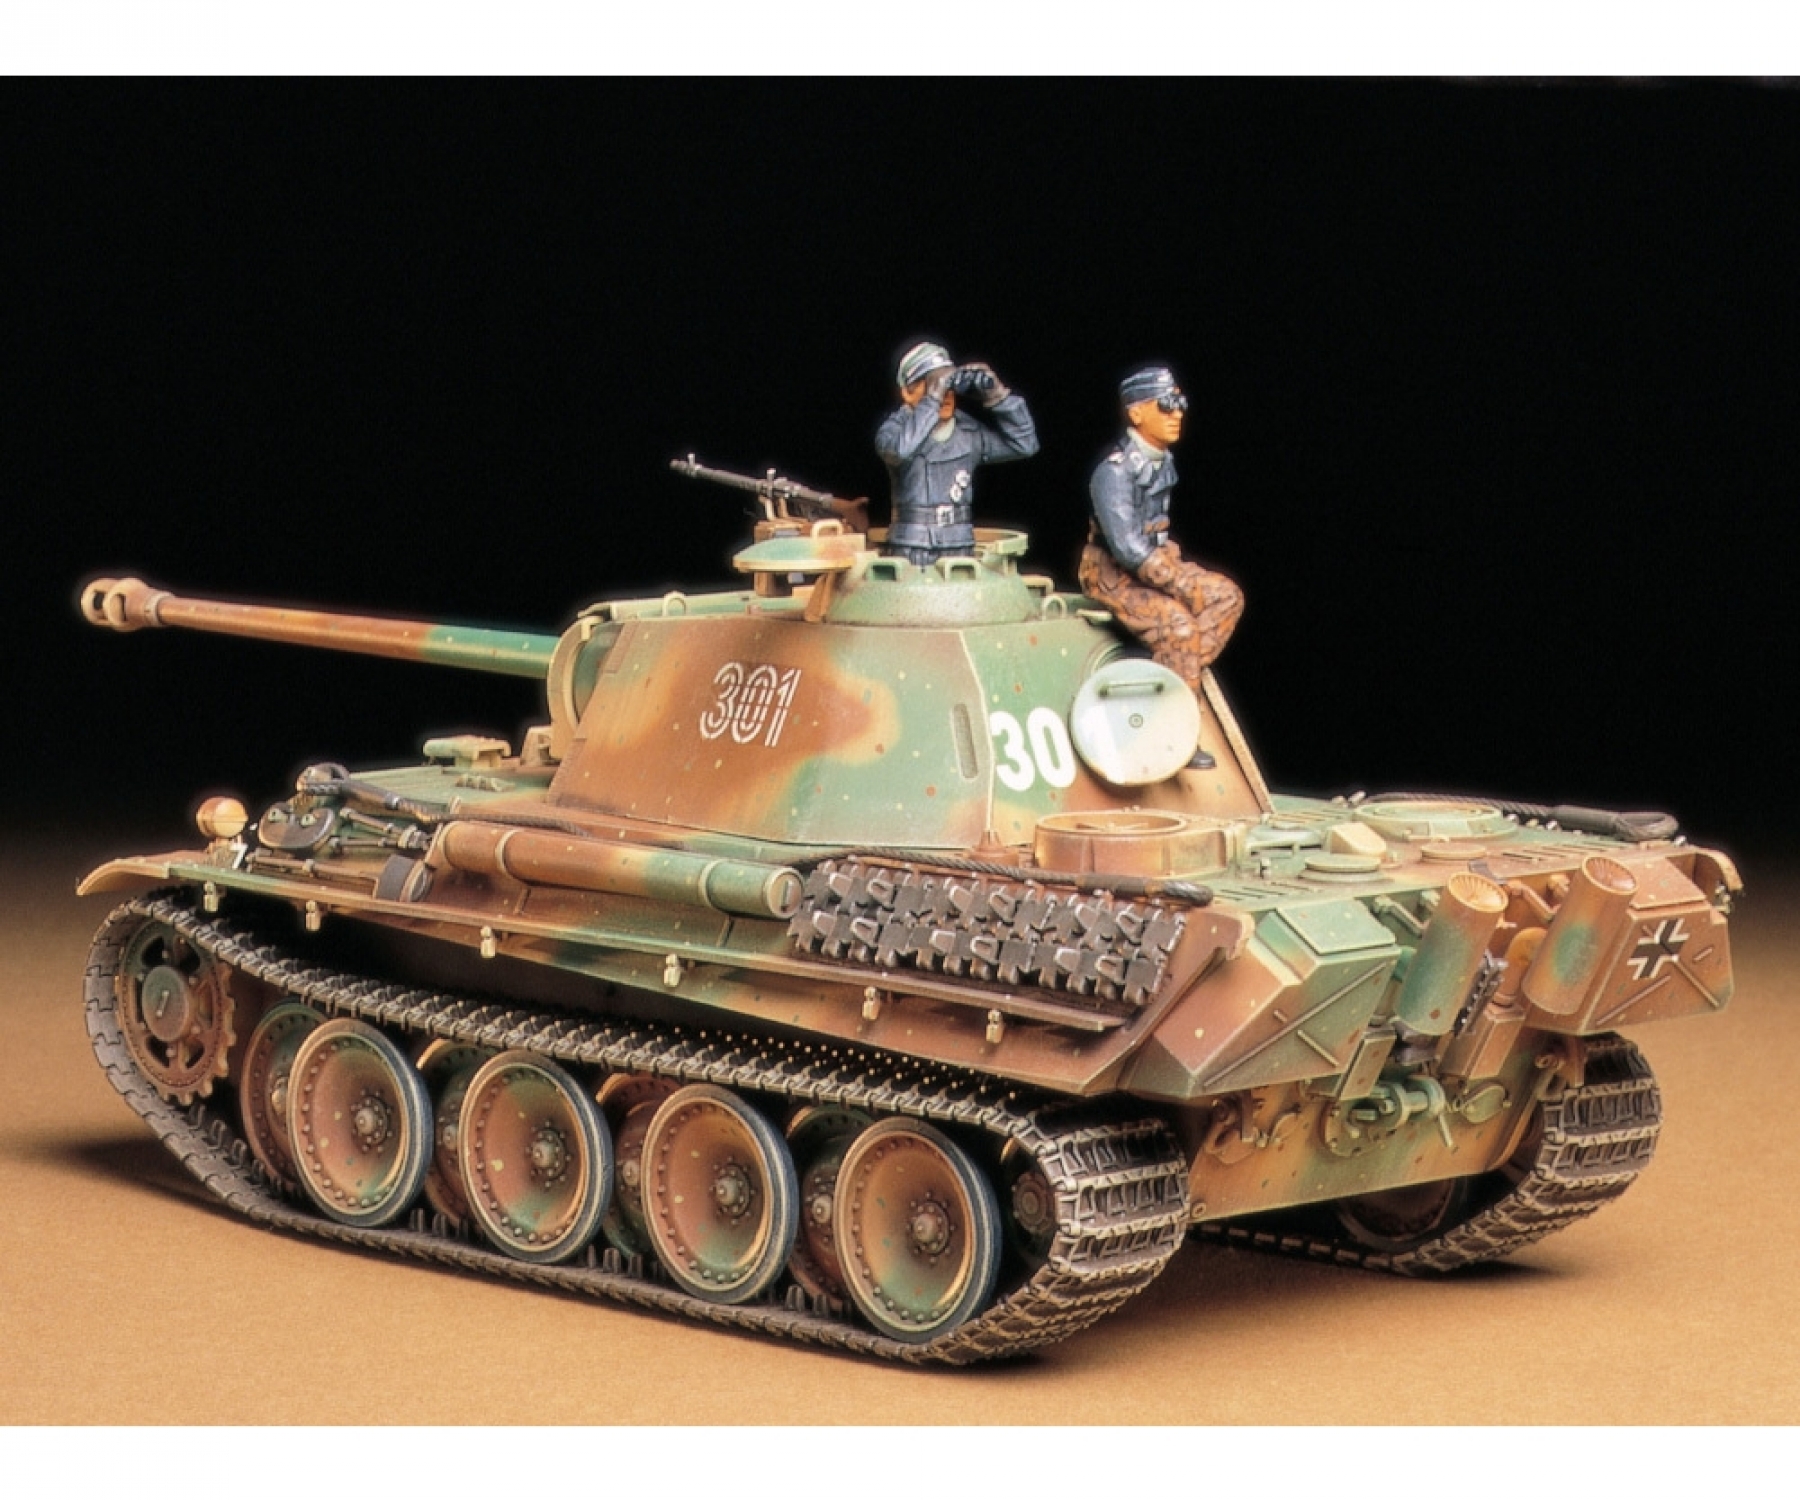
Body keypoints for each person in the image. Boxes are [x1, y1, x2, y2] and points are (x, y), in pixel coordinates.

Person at [1082, 366, 1244, 745]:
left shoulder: (1162, 461)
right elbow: (1127, 549)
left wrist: (1177, 577)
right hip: (1114, 575)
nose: (1177, 414)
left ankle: (1164, 681)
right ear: (1136, 413)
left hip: (1159, 562)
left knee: (1227, 597)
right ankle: (1173, 732)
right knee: (1179, 630)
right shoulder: (1114, 473)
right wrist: (1180, 583)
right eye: (1166, 406)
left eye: (1179, 404)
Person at [875, 340, 1039, 566]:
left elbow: (1025, 444)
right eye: (932, 384)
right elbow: (899, 452)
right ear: (907, 393)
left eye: (948, 386)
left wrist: (998, 396)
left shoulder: (968, 432)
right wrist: (931, 401)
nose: (945, 394)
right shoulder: (894, 430)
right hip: (912, 546)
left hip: (959, 543)